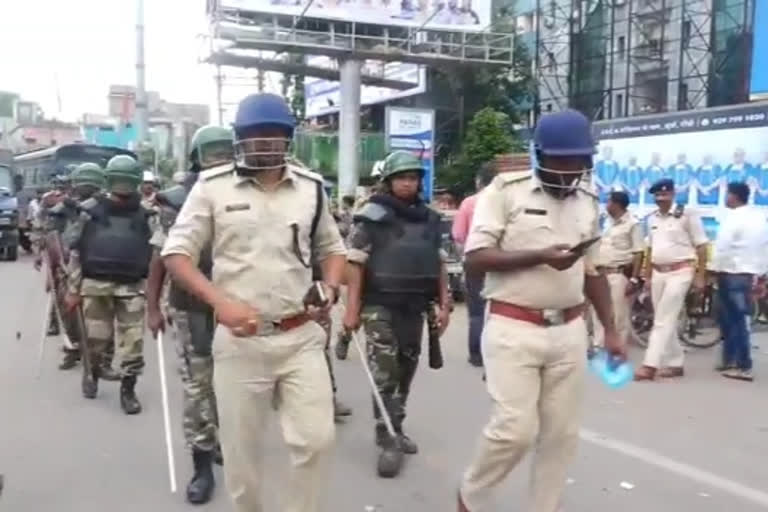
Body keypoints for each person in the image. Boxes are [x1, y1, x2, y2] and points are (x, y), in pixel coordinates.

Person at [161, 93, 346, 512]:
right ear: (240, 139)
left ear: (288, 139)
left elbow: (332, 248)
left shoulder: (311, 189)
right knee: (242, 456)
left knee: (317, 441)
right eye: (256, 135)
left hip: (300, 337)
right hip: (240, 341)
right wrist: (218, 302)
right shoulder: (212, 187)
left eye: (275, 135)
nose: (266, 143)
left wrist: (330, 288)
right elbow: (176, 254)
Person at [457, 109, 624, 512]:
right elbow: (476, 257)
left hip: (569, 330)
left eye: (578, 161)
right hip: (514, 326)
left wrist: (612, 331)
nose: (569, 171)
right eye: (560, 160)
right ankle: (471, 499)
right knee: (513, 430)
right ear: (540, 155)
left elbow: (593, 270)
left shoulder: (588, 199)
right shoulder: (505, 192)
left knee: (561, 436)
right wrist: (539, 256)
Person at [344, 149, 451, 478]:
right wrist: (352, 311)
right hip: (379, 306)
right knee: (385, 372)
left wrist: (445, 305)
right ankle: (388, 436)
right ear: (388, 182)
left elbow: (441, 263)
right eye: (402, 177)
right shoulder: (371, 216)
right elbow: (354, 266)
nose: (408, 182)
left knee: (406, 369)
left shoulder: (430, 219)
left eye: (413, 177)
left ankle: (396, 426)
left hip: (415, 307)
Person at [146, 124, 234, 504]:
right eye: (211, 153)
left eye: (225, 152)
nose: (219, 160)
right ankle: (201, 466)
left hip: (239, 306)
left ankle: (223, 440)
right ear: (197, 158)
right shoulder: (176, 201)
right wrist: (151, 306)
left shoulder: (251, 193)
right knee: (199, 386)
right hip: (191, 306)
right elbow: (160, 258)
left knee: (234, 382)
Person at [64, 154, 153, 412]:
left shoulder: (147, 213)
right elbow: (77, 252)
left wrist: (158, 295)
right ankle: (91, 373)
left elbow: (158, 253)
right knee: (96, 340)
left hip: (132, 287)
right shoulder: (90, 210)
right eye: (119, 179)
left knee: (133, 343)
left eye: (127, 180)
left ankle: (128, 390)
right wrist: (73, 290)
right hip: (95, 284)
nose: (123, 186)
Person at [634, 179, 709, 381]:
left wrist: (701, 275)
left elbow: (701, 246)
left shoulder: (687, 214)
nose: (661, 199)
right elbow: (650, 249)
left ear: (673, 194)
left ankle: (649, 365)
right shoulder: (652, 219)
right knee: (663, 317)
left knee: (662, 319)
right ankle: (675, 363)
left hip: (681, 271)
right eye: (658, 196)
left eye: (665, 195)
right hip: (658, 272)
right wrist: (647, 276)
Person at [710, 182, 768, 381]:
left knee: (734, 320)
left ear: (734, 196)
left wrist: (712, 269)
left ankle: (743, 365)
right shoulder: (759, 218)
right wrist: (762, 276)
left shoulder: (732, 217)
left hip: (731, 272)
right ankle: (730, 360)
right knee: (733, 320)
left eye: (727, 195)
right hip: (748, 274)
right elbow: (764, 248)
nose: (726, 198)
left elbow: (722, 246)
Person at [452, 162, 496, 367]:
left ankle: (476, 354)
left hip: (475, 262)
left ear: (479, 181)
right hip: (502, 263)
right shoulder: (507, 201)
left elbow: (459, 236)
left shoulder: (469, 203)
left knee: (477, 312)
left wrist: (465, 260)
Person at [592, 190, 644, 348]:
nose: (606, 205)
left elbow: (639, 252)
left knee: (618, 314)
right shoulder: (603, 221)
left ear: (616, 204)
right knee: (598, 311)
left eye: (608, 202)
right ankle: (598, 345)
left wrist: (634, 279)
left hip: (618, 273)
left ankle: (618, 348)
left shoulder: (632, 224)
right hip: (601, 272)